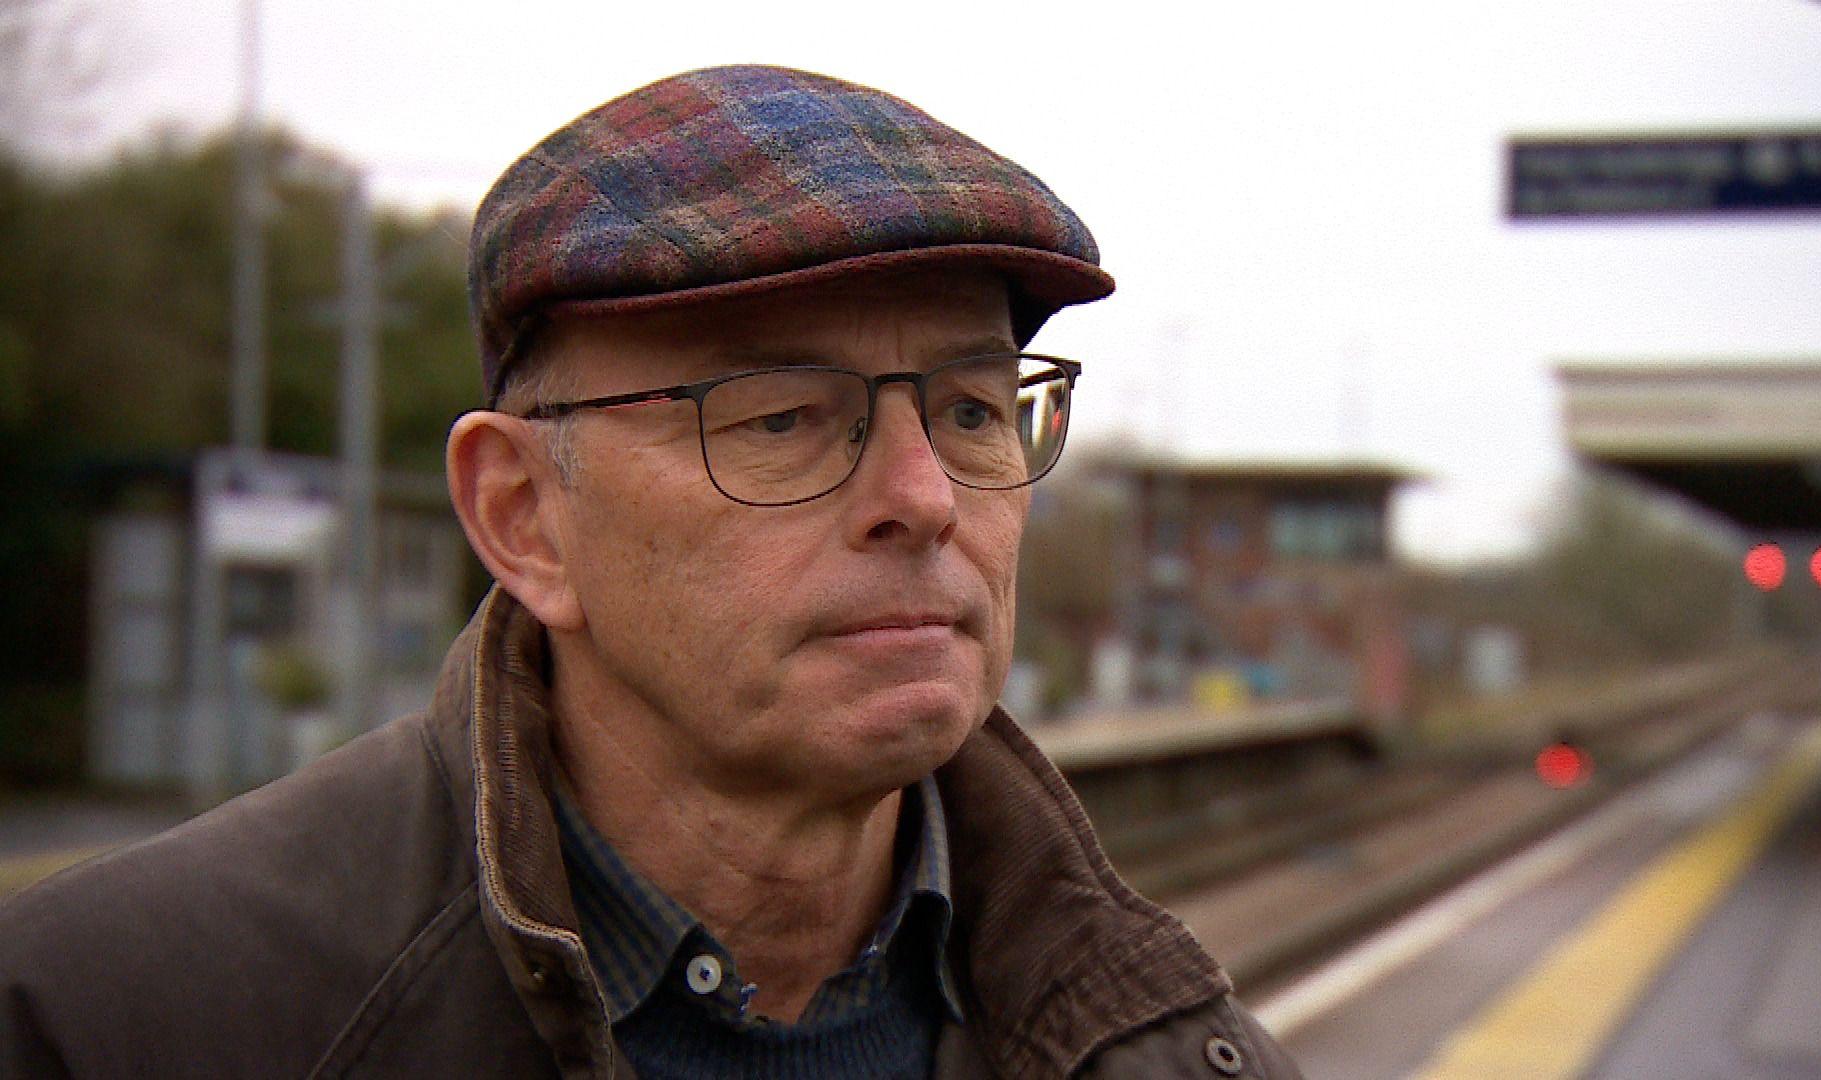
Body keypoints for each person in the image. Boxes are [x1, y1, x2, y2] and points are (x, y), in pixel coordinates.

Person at [0, 65, 1301, 1079]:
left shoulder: (1162, 1044)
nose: (921, 500)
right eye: (782, 417)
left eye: (969, 410)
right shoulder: (110, 1023)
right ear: (523, 518)